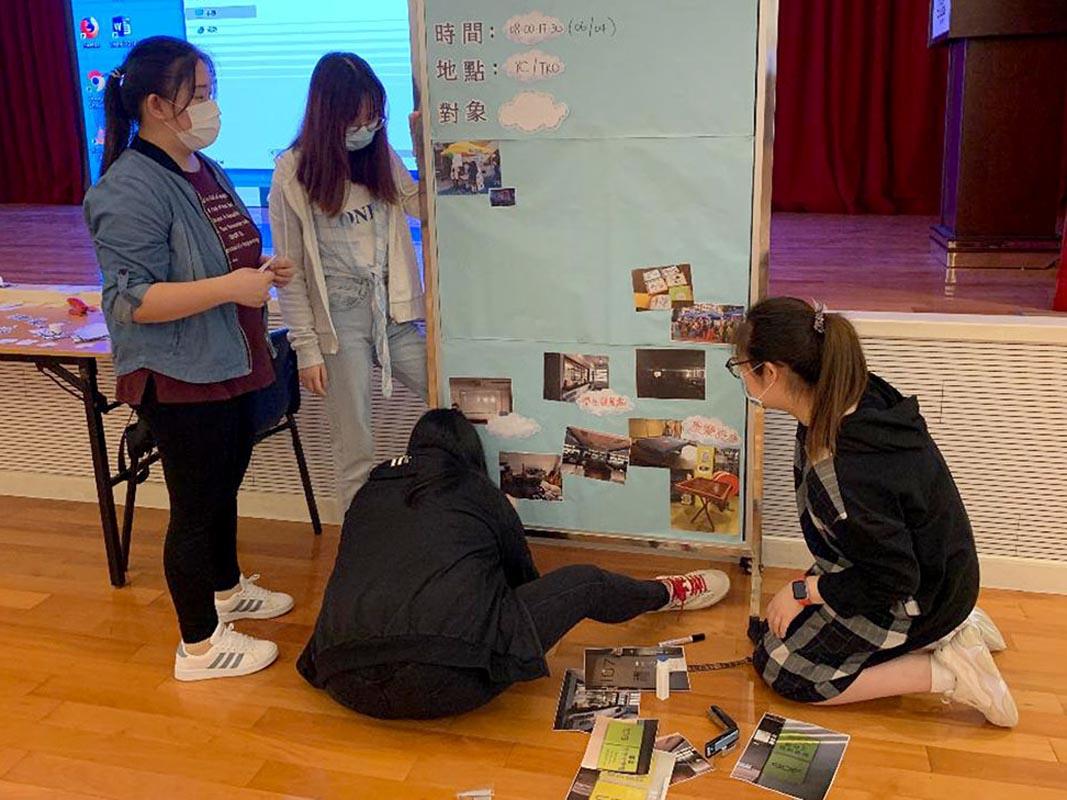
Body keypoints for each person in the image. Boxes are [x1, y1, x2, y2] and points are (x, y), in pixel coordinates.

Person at [84, 36, 295, 681]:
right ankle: (199, 646)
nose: (211, 107)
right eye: (198, 96)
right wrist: (233, 288)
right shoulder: (128, 187)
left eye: (210, 93)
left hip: (228, 355)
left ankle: (227, 589)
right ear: (155, 104)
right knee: (195, 505)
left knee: (224, 482)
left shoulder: (204, 167)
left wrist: (256, 271)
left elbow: (213, 257)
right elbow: (132, 300)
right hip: (180, 374)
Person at [297, 408, 731, 720]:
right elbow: (525, 580)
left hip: (343, 680)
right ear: (468, 453)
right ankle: (669, 593)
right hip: (450, 683)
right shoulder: (475, 488)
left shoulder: (367, 492)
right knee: (584, 583)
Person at [730, 297, 1017, 726]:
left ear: (771, 373)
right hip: (941, 569)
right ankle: (955, 626)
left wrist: (805, 592)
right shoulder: (847, 393)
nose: (742, 378)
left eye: (741, 368)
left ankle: (950, 671)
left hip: (916, 592)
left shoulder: (845, 469)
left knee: (783, 668)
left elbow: (893, 578)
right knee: (776, 630)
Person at [270, 52, 428, 514]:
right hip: (338, 323)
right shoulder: (293, 172)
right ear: (328, 116)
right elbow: (289, 270)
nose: (367, 128)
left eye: (375, 117)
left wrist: (423, 144)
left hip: (393, 314)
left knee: (449, 397)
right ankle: (362, 542)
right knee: (355, 439)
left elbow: (424, 207)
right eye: (356, 120)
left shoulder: (380, 155)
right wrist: (307, 348)